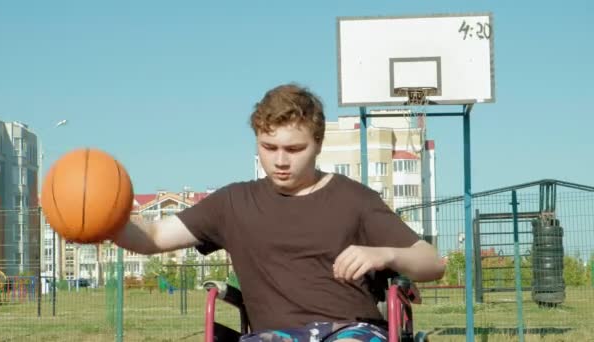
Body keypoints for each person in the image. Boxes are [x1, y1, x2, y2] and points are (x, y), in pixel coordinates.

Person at [112, 83, 446, 341]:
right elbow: (153, 237)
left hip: (351, 329)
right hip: (272, 335)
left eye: (294, 149)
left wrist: (384, 254)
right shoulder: (233, 203)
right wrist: (103, 224)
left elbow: (432, 262)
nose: (281, 160)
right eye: (268, 148)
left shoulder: (353, 198)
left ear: (318, 143)